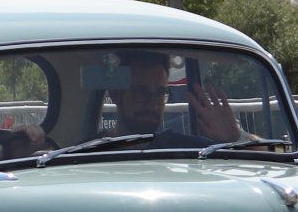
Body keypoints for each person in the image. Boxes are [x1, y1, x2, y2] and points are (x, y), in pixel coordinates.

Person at [104, 50, 245, 148]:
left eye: (160, 93)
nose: (152, 104)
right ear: (115, 93)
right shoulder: (89, 152)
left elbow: (259, 163)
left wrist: (235, 139)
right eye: (141, 92)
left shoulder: (185, 149)